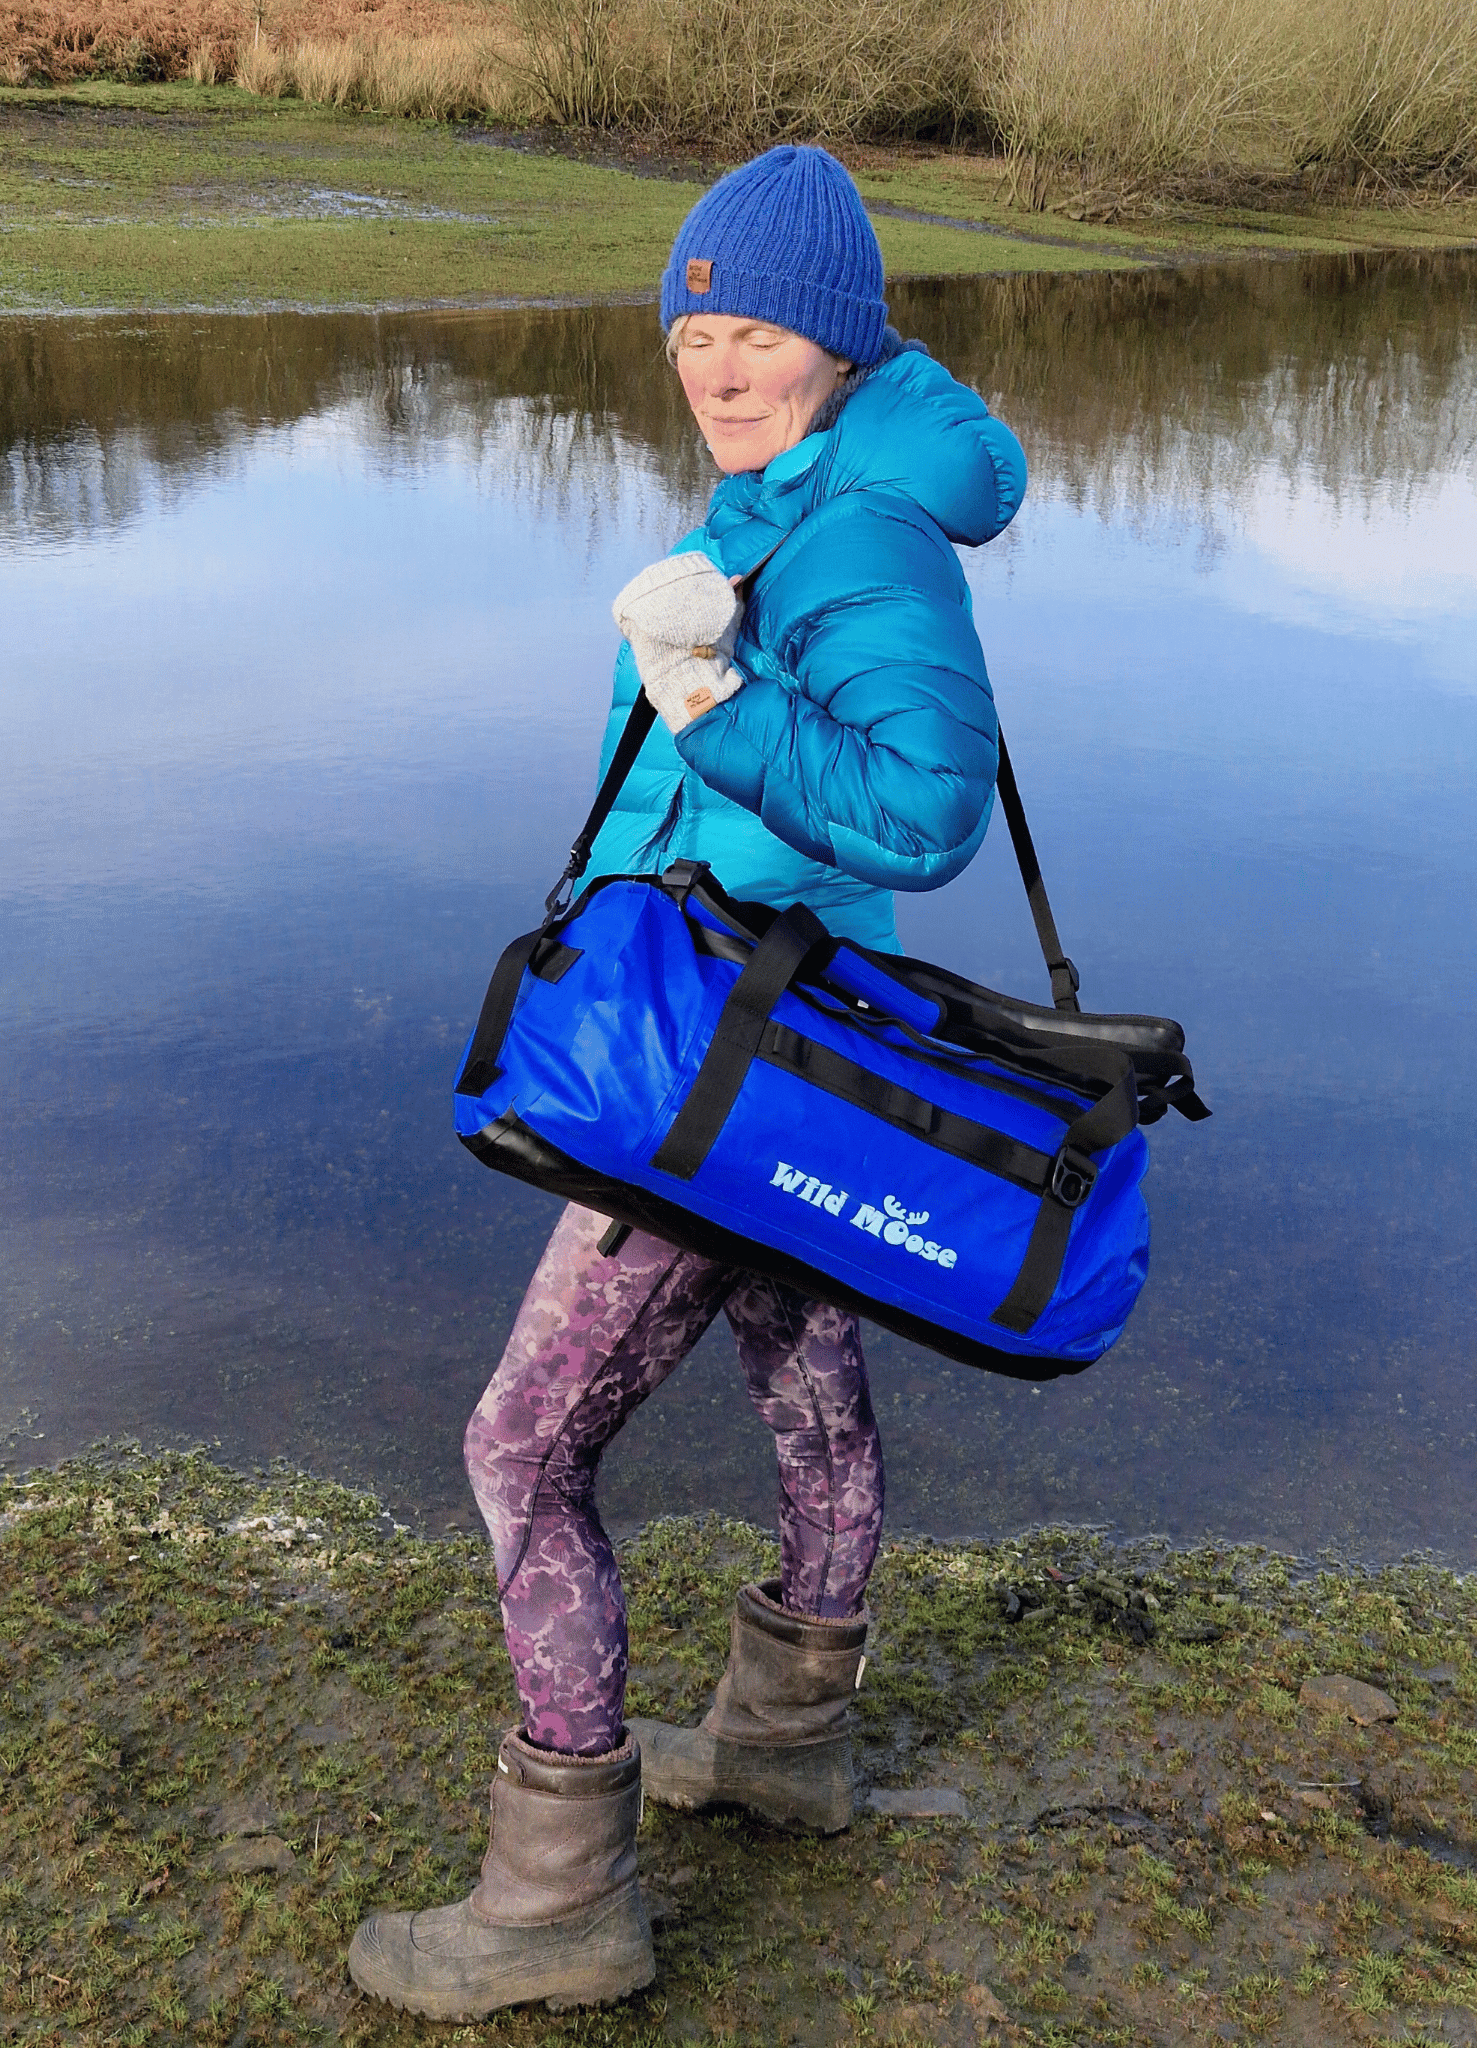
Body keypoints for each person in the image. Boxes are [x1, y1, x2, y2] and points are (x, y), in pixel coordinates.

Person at [349, 143, 1026, 2021]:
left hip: (731, 1063)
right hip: (782, 1049)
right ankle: (790, 1748)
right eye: (695, 333)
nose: (720, 368)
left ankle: (560, 1893)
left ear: (838, 342)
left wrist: (716, 699)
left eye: (761, 334)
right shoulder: (782, 494)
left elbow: (920, 806)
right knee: (804, 1379)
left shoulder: (860, 533)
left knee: (520, 1447)